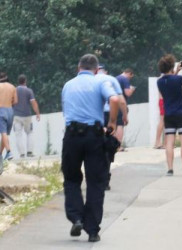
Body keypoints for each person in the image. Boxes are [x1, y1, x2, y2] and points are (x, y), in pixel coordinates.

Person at [61, 53, 122, 243]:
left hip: (72, 136)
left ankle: (77, 217)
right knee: (95, 182)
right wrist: (111, 123)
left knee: (71, 178)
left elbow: (66, 111)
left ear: (78, 68)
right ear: (96, 70)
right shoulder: (99, 82)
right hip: (94, 136)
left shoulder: (68, 85)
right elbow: (114, 100)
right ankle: (93, 230)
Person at [157, 55, 182, 175]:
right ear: (171, 66)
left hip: (168, 114)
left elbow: (170, 80)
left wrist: (177, 71)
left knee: (169, 142)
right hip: (180, 113)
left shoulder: (160, 82)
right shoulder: (178, 79)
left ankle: (170, 169)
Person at [12, 74, 41, 157]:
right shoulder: (29, 91)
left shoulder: (14, 90)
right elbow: (33, 103)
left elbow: (11, 102)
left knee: (18, 134)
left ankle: (21, 153)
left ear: (18, 81)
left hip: (16, 116)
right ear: (25, 81)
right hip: (27, 116)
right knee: (29, 133)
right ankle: (30, 152)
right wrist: (37, 113)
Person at [114, 68, 135, 150]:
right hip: (121, 105)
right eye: (131, 77)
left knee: (114, 125)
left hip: (113, 104)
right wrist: (132, 89)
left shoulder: (116, 78)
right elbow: (127, 93)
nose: (130, 79)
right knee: (120, 125)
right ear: (129, 73)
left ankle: (113, 145)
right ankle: (118, 146)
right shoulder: (125, 79)